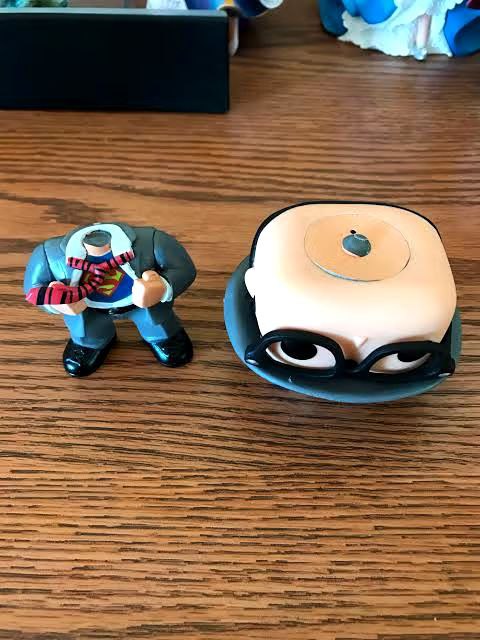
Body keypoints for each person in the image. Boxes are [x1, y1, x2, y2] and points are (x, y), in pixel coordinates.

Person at [24, 222, 196, 377]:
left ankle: (160, 336)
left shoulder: (154, 241)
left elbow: (183, 268)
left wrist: (162, 286)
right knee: (89, 333)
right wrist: (56, 301)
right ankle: (91, 343)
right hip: (87, 309)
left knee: (158, 325)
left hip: (144, 304)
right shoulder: (47, 255)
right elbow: (33, 289)